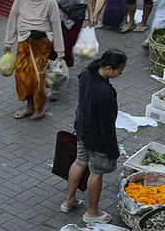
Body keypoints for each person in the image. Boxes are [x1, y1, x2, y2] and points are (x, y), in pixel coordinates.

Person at [61, 48, 127, 225]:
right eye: (120, 70)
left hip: (82, 128)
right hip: (96, 138)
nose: (121, 73)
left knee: (79, 162)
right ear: (109, 69)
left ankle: (69, 200)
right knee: (96, 173)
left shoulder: (86, 73)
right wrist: (112, 151)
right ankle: (92, 212)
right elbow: (107, 126)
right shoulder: (104, 92)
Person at [4, 0, 64, 120]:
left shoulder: (50, 1)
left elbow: (56, 24)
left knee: (38, 76)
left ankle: (39, 106)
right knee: (22, 75)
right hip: (24, 40)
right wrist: (9, 41)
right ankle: (29, 105)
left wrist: (60, 51)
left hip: (42, 43)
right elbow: (13, 18)